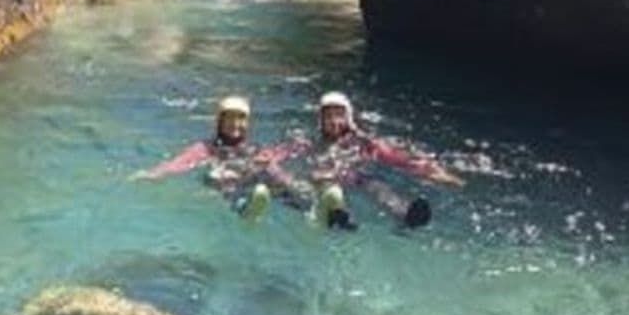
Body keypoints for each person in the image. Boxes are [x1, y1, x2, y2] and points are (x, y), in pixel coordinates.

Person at [275, 91, 465, 229]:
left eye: (339, 115)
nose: (334, 121)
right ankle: (330, 214)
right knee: (303, 186)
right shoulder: (307, 143)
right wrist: (278, 172)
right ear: (321, 120)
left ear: (349, 118)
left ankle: (406, 216)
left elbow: (402, 160)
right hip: (319, 182)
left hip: (353, 179)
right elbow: (275, 154)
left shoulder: (364, 144)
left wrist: (438, 174)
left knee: (376, 187)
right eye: (328, 116)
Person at [132, 96, 278, 220]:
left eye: (240, 118)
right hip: (223, 179)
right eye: (229, 118)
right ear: (220, 122)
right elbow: (180, 162)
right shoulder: (206, 148)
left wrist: (292, 182)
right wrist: (155, 173)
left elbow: (277, 168)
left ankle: (299, 204)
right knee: (224, 178)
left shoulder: (255, 149)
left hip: (247, 175)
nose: (235, 123)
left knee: (268, 172)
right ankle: (243, 208)